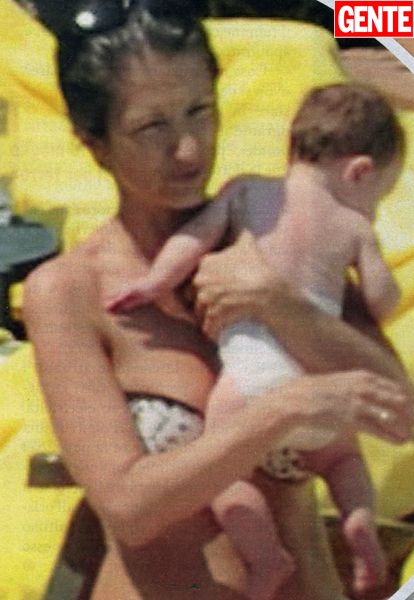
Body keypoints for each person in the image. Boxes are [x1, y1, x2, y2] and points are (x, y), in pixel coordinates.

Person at [22, 2, 413, 599]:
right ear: (94, 143)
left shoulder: (279, 233)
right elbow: (130, 507)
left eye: (200, 112)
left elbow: (400, 416)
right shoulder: (71, 292)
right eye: (152, 128)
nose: (187, 150)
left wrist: (282, 307)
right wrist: (283, 411)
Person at [105, 81, 404, 598]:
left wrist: (153, 283)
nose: (372, 209)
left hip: (251, 378)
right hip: (320, 380)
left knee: (223, 472)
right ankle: (359, 525)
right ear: (358, 172)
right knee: (343, 460)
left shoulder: (247, 192)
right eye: (378, 195)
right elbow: (381, 299)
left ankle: (265, 557)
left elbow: (193, 240)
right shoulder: (353, 225)